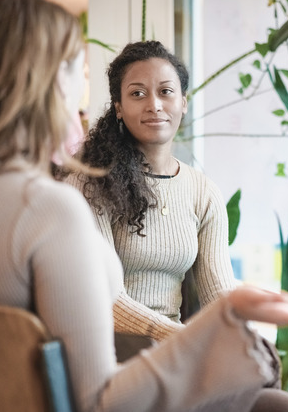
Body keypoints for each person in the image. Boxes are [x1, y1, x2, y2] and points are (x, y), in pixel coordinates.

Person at [0, 0, 288, 412]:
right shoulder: (49, 208)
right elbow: (101, 401)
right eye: (76, 73)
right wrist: (224, 317)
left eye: (166, 92)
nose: (81, 93)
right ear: (44, 83)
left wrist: (228, 307)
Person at [64, 41, 237, 346]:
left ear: (183, 102)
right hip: (104, 347)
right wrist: (183, 339)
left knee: (272, 391)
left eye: (166, 92)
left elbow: (219, 295)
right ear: (118, 107)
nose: (154, 105)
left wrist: (245, 334)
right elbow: (106, 299)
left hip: (173, 347)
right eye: (137, 94)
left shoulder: (203, 191)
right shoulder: (91, 183)